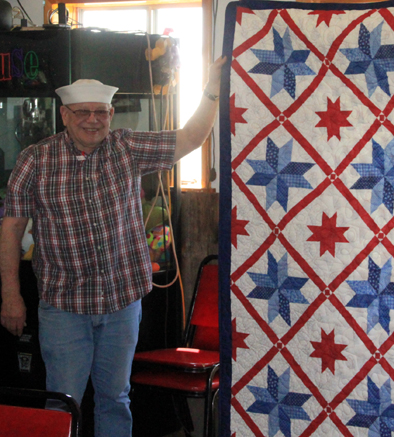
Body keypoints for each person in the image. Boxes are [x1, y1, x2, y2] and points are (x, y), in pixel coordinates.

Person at [0, 56, 227, 437]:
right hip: (64, 306)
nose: (93, 120)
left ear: (110, 115)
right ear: (65, 115)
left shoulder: (127, 147)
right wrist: (11, 295)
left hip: (122, 302)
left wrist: (212, 89)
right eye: (83, 112)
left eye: (101, 112)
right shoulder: (35, 160)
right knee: (63, 401)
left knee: (116, 399)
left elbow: (191, 138)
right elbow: (11, 230)